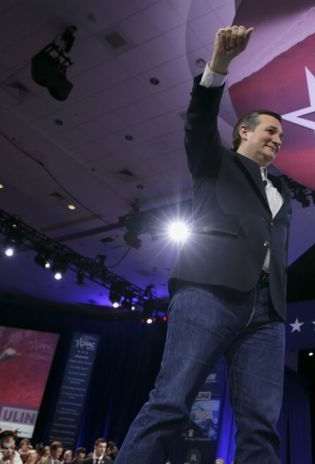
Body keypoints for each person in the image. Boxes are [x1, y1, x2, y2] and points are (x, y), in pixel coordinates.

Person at [115, 25, 291, 464]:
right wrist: (219, 65)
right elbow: (198, 121)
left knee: (261, 426)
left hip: (267, 310)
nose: (276, 139)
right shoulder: (216, 163)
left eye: (281, 137)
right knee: (170, 403)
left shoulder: (282, 192)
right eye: (269, 130)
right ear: (243, 133)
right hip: (208, 292)